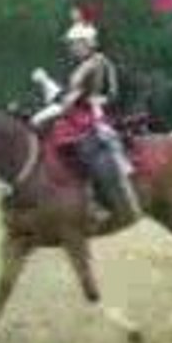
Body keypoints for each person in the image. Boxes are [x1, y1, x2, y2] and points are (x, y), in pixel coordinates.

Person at [30, 14, 139, 229]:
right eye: (70, 44)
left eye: (74, 44)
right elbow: (67, 99)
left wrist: (45, 82)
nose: (71, 48)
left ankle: (101, 202)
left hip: (89, 116)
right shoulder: (83, 65)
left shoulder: (95, 64)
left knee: (86, 147)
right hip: (78, 114)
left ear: (86, 43)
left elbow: (70, 101)